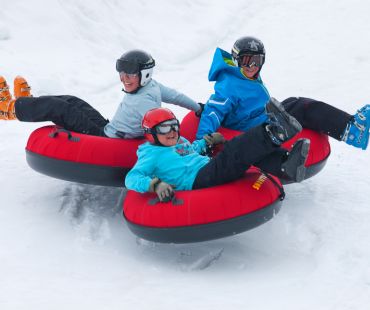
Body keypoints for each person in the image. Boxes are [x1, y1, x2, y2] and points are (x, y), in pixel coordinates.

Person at [196, 36, 370, 150]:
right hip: (251, 128)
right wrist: (201, 141)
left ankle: (350, 127)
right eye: (247, 60)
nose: (252, 66)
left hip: (261, 117)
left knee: (293, 102)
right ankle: (351, 130)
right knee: (300, 107)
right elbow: (213, 111)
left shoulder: (244, 75)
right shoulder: (229, 85)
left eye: (257, 61)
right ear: (236, 59)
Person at [125, 104, 310, 202]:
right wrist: (155, 185)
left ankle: (285, 165)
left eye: (175, 126)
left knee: (246, 154)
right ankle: (273, 133)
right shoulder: (151, 153)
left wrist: (207, 142)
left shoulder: (179, 141)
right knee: (235, 151)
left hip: (207, 167)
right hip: (197, 179)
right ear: (151, 134)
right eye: (165, 129)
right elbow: (132, 178)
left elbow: (192, 150)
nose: (172, 132)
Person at [0, 50, 203, 138]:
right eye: (122, 74)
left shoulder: (146, 106)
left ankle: (9, 109)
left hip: (106, 138)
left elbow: (159, 126)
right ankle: (25, 102)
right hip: (108, 127)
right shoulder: (153, 86)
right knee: (73, 101)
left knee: (59, 108)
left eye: (130, 75)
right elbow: (176, 96)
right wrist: (197, 107)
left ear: (145, 74)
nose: (124, 79)